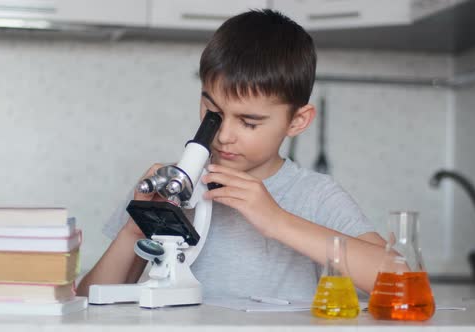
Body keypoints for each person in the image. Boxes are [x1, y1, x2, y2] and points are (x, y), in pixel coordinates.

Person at [77, 9, 386, 300]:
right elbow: (89, 302)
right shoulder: (172, 185)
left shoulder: (315, 195)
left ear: (297, 121)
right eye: (213, 112)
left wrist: (277, 221)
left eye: (249, 122)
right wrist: (137, 225)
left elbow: (400, 279)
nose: (223, 135)